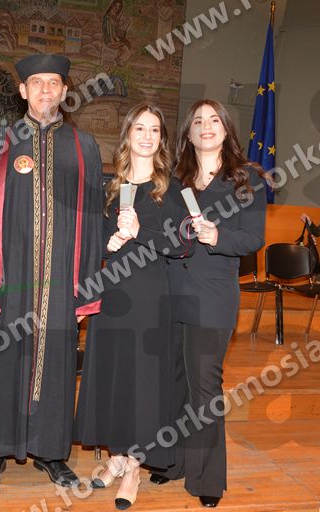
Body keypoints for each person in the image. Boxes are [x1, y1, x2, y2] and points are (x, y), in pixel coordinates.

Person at [0, 53, 104, 492]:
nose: (46, 90)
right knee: (0, 360)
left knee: (57, 362)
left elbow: (93, 219)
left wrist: (87, 287)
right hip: (8, 277)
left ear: (65, 90)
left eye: (54, 83)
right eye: (37, 83)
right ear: (23, 90)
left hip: (61, 279)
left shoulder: (84, 147)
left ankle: (50, 451)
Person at [151, 99, 267, 508]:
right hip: (172, 291)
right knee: (175, 384)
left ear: (226, 128)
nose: (206, 126)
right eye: (198, 120)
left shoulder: (247, 178)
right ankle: (173, 462)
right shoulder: (176, 178)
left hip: (212, 297)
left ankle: (207, 479)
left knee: (204, 388)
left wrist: (218, 237)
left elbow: (253, 238)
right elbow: (164, 233)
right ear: (188, 132)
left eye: (214, 120)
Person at [74, 103, 190, 510]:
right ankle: (117, 456)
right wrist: (109, 243)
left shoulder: (173, 188)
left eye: (154, 130)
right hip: (113, 295)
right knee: (114, 375)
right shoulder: (111, 185)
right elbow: (95, 240)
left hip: (150, 295)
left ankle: (135, 467)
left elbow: (184, 244)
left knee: (143, 380)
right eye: (139, 128)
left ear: (162, 139)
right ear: (127, 135)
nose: (146, 136)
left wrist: (141, 232)